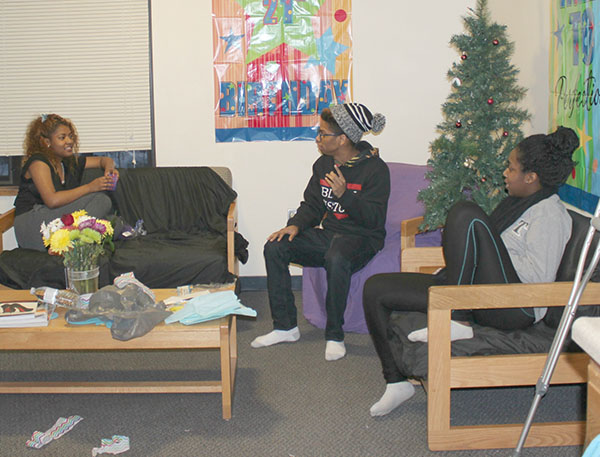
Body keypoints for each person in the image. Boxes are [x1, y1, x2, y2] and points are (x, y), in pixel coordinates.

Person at [363, 126, 578, 416]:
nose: (505, 173)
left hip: (517, 307)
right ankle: (396, 381)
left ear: (531, 177)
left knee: (467, 214)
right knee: (376, 289)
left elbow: (537, 283)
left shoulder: (549, 215)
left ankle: (457, 317)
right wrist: (464, 264)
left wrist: (480, 263)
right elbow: (483, 253)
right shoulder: (516, 204)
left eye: (511, 168)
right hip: (480, 293)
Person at [251, 102, 390, 361]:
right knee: (276, 246)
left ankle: (335, 334)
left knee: (337, 256)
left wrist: (345, 195)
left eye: (323, 134)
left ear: (343, 139)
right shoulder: (323, 164)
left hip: (362, 239)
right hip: (331, 234)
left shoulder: (375, 170)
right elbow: (313, 205)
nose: (318, 138)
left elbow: (373, 220)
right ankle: (285, 327)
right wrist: (296, 225)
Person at [14, 114, 118, 251]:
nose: (69, 141)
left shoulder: (66, 161)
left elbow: (103, 160)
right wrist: (90, 187)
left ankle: (70, 241)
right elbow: (52, 200)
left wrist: (110, 169)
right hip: (33, 223)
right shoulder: (38, 162)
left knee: (109, 220)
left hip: (53, 218)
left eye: (70, 136)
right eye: (62, 138)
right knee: (101, 200)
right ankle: (69, 244)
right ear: (47, 142)